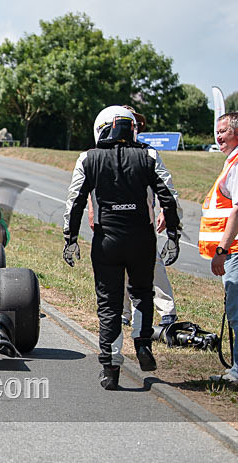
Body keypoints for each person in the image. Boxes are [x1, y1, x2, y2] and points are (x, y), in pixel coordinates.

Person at [63, 105, 181, 390]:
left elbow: (75, 201)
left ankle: (110, 367)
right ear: (132, 128)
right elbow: (169, 196)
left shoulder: (87, 158)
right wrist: (174, 236)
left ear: (101, 127)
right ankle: (142, 343)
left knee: (109, 303)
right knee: (141, 293)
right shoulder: (149, 155)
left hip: (106, 241)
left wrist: (70, 239)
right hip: (142, 238)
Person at [87, 106, 182, 331]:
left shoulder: (146, 152)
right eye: (133, 122)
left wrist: (165, 213)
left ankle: (166, 311)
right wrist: (92, 209)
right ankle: (122, 313)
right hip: (111, 216)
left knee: (152, 262)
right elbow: (92, 186)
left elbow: (166, 187)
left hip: (141, 214)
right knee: (117, 264)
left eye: (138, 124)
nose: (136, 127)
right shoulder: (101, 151)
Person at [201, 112, 238, 384]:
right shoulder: (231, 162)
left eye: (224, 131)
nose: (219, 136)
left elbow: (237, 211)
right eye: (218, 131)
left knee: (237, 313)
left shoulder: (237, 164)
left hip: (234, 251)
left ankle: (237, 373)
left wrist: (222, 251)